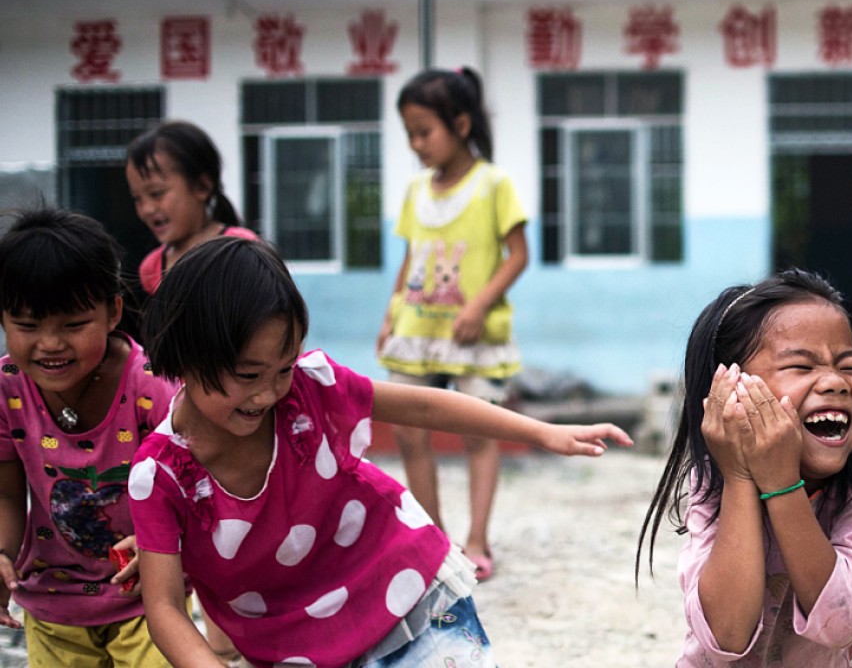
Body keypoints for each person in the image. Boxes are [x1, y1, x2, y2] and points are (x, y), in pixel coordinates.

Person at [130, 237, 632, 667]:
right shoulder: (159, 477)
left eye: (281, 369)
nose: (268, 393)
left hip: (410, 591)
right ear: (186, 353)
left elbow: (426, 407)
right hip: (296, 649)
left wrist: (540, 431)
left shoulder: (311, 387)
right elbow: (167, 609)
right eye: (248, 376)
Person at [637, 269, 852, 667]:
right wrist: (741, 477)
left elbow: (841, 624)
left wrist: (782, 485)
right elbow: (726, 636)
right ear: (730, 390)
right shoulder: (717, 475)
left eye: (850, 366)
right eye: (801, 367)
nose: (834, 382)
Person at [0, 208, 177, 666]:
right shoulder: (7, 389)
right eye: (27, 325)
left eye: (73, 325)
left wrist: (157, 539)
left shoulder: (150, 387)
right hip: (53, 606)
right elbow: (5, 494)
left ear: (113, 310)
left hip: (149, 602)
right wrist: (0, 554)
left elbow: (190, 484)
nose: (50, 343)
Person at [376, 67, 529, 581]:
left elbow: (518, 255)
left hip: (475, 335)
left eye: (425, 131)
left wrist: (478, 305)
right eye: (410, 134)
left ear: (460, 124)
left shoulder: (494, 184)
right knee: (407, 430)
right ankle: (435, 539)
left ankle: (478, 539)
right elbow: (410, 259)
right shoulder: (416, 191)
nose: (417, 144)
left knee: (480, 434)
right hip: (417, 330)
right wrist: (390, 314)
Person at [125, 120, 258, 296]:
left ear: (202, 187)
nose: (147, 209)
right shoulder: (152, 267)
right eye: (137, 199)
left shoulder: (241, 248)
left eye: (157, 194)